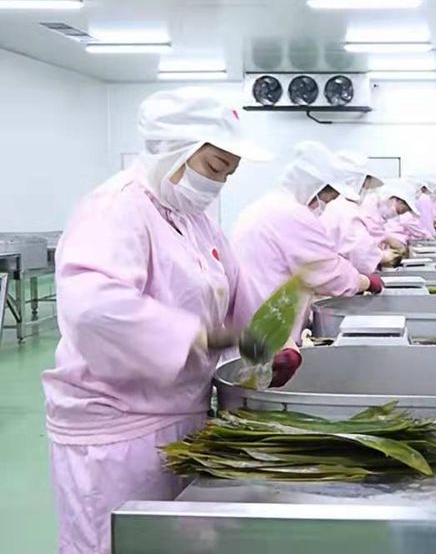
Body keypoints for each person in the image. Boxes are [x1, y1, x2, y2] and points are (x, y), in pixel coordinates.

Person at [41, 88, 283, 554]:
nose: (218, 183)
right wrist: (196, 335)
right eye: (215, 166)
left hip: (181, 413)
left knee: (168, 543)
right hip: (118, 431)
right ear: (176, 148)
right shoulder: (115, 208)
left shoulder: (195, 219)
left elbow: (234, 286)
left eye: (229, 174)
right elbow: (94, 308)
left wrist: (267, 344)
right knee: (116, 544)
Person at [231, 141, 383, 335]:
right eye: (326, 199)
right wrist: (365, 282)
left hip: (255, 321)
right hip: (270, 328)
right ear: (314, 188)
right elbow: (329, 273)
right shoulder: (292, 214)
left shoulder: (266, 206)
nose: (322, 206)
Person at [320, 149, 396, 273]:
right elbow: (360, 252)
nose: (365, 190)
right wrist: (382, 256)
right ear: (356, 181)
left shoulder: (333, 206)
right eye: (364, 186)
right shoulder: (345, 208)